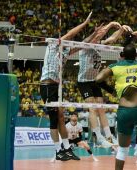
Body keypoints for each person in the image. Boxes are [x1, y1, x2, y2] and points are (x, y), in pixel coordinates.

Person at [95, 44, 137, 170]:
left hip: (123, 112)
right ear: (136, 55)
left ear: (122, 55)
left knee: (122, 150)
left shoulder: (116, 66)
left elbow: (98, 79)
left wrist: (112, 91)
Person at [40, 12, 92, 161]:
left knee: (62, 117)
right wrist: (85, 24)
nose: (69, 40)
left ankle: (67, 149)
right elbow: (70, 34)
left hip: (56, 87)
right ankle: (58, 151)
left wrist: (95, 33)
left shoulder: (66, 52)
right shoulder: (53, 45)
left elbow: (83, 44)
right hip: (47, 86)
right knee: (54, 119)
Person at [77, 22, 130, 148]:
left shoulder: (98, 45)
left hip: (94, 81)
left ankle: (109, 136)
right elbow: (98, 34)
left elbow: (112, 39)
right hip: (83, 82)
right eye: (98, 32)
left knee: (101, 109)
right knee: (92, 108)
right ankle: (99, 137)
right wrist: (110, 24)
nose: (101, 33)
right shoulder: (85, 44)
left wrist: (121, 29)